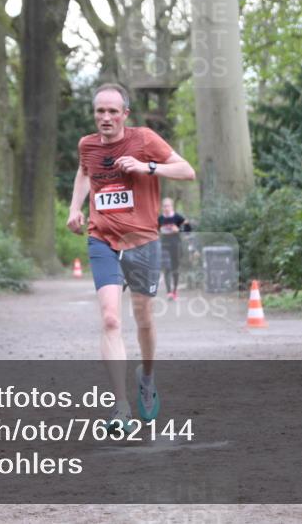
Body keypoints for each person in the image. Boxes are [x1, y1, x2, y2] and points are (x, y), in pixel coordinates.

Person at [67, 83, 196, 432]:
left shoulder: (145, 140)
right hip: (102, 239)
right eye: (100, 111)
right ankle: (120, 406)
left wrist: (146, 167)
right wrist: (75, 208)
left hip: (143, 242)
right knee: (110, 319)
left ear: (125, 114)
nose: (106, 117)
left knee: (144, 320)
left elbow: (187, 171)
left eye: (113, 111)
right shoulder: (87, 144)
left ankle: (147, 377)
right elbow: (84, 172)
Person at [158, 197, 189, 301]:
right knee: (167, 268)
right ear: (162, 208)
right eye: (164, 206)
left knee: (175, 269)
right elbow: (154, 230)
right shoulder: (160, 219)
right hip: (164, 246)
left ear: (172, 207)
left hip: (176, 246)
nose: (166, 208)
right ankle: (169, 292)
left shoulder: (177, 217)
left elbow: (188, 228)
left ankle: (174, 290)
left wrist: (179, 229)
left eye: (168, 206)